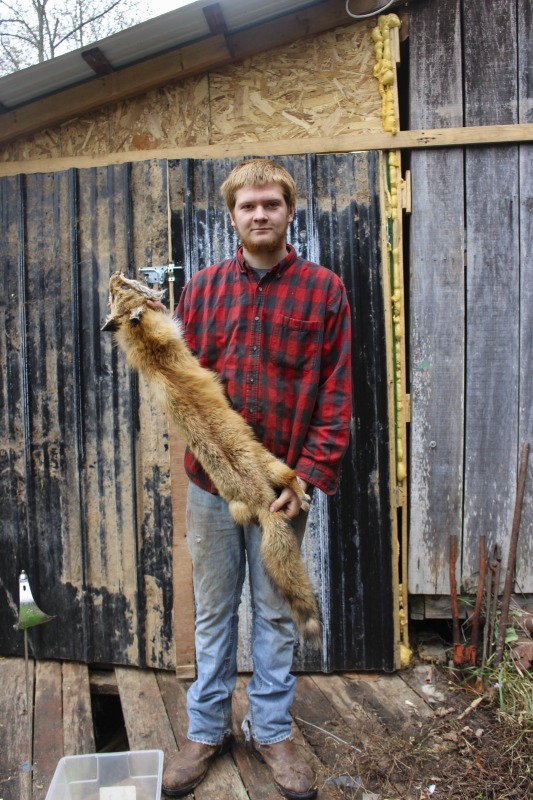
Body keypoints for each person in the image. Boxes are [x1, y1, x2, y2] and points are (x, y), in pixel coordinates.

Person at [161, 159, 352, 799]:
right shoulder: (204, 290)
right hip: (213, 487)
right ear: (234, 215)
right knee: (214, 614)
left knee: (272, 617)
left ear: (289, 211)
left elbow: (335, 394)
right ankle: (206, 730)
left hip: (283, 490)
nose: (260, 214)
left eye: (271, 204)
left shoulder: (324, 291)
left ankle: (272, 731)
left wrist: (306, 479)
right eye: (248, 206)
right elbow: (186, 390)